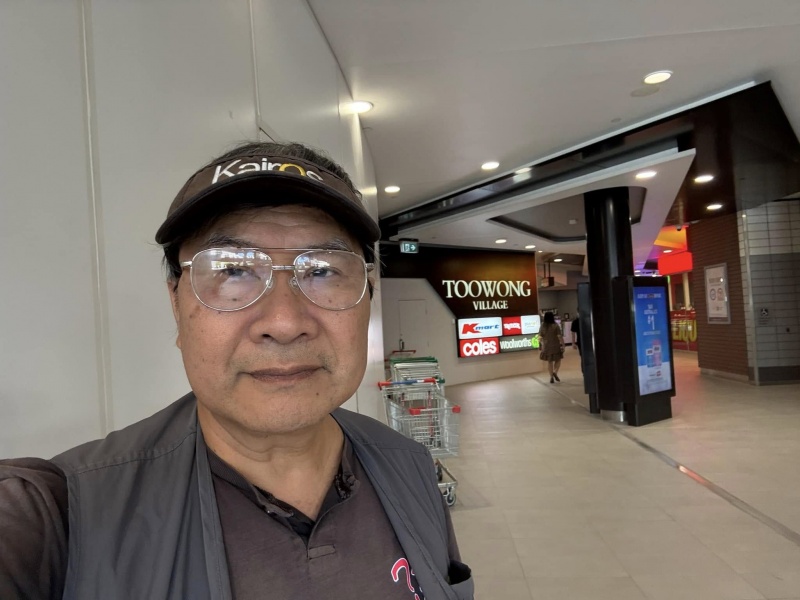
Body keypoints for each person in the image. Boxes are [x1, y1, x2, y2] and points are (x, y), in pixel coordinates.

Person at [0, 141, 473, 600]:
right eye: (232, 269)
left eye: (323, 270)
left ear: (367, 298)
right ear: (176, 305)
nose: (284, 323)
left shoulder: (409, 466)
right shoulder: (59, 515)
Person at [538, 311, 564, 384]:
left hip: (546, 346)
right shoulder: (555, 325)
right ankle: (555, 372)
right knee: (558, 360)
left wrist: (541, 344)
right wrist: (563, 344)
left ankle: (551, 376)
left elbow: (539, 337)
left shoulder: (543, 326)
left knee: (550, 362)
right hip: (555, 345)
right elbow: (559, 336)